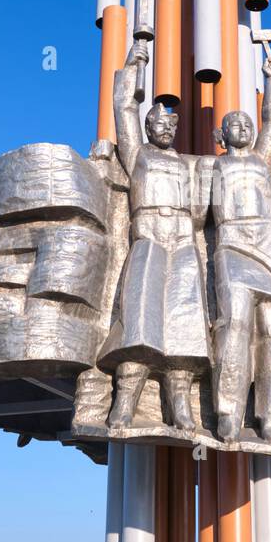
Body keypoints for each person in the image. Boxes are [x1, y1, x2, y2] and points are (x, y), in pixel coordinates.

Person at [98, 40, 209, 431]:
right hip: (148, 234)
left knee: (185, 321)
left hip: (182, 237)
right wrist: (134, 63)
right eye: (158, 124)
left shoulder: (188, 164)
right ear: (149, 127)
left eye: (170, 125)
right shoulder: (137, 155)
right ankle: (124, 402)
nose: (165, 129)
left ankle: (180, 405)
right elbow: (123, 107)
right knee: (140, 317)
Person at [208, 55, 271, 445]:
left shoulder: (262, 160)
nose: (242, 126)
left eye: (246, 122)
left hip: (268, 246)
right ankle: (228, 413)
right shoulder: (210, 168)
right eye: (233, 124)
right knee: (236, 326)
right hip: (232, 245)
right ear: (220, 137)